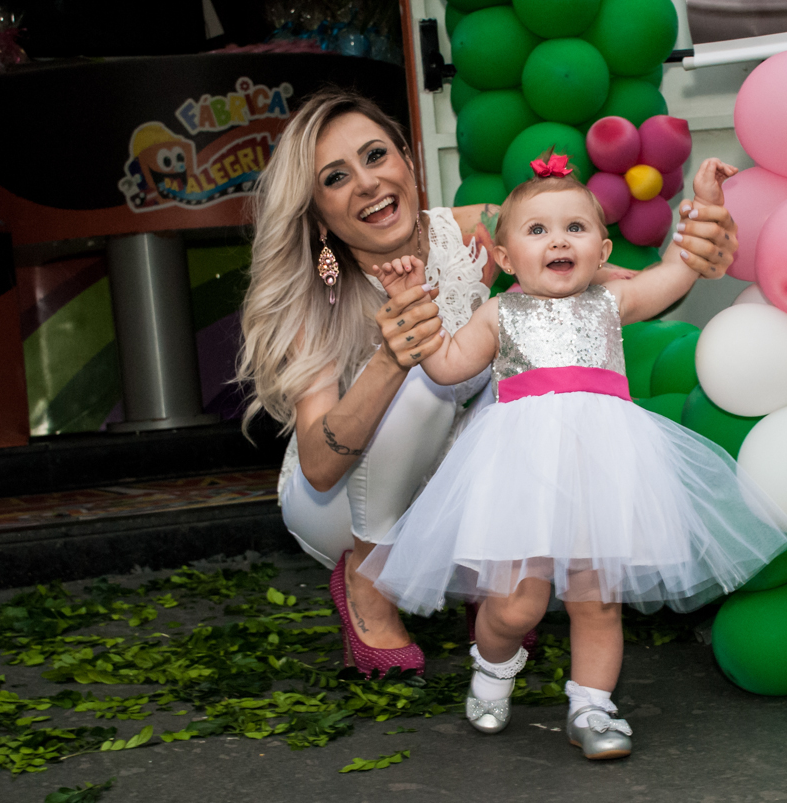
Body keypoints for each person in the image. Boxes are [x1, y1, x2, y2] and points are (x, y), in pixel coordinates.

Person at [236, 88, 739, 678]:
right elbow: (320, 467)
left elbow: (595, 277)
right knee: (428, 380)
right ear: (318, 213)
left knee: (525, 373)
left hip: (454, 482)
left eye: (376, 156)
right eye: (336, 178)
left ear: (406, 156)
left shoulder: (479, 232)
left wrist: (697, 250)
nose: (368, 184)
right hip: (340, 503)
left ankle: (489, 580)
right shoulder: (314, 295)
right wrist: (392, 357)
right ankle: (367, 577)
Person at [358, 155, 787, 760]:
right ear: (506, 259)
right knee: (517, 604)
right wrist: (412, 298)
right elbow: (447, 366)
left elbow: (679, 268)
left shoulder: (613, 301)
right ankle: (493, 660)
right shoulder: (500, 312)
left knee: (597, 598)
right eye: (537, 230)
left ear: (601, 247)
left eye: (575, 228)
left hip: (604, 466)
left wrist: (704, 200)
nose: (558, 239)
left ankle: (592, 706)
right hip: (520, 470)